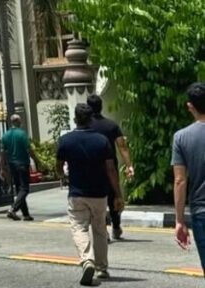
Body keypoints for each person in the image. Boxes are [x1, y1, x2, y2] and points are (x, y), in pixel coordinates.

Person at [57, 102, 123, 285]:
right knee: (100, 229)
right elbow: (110, 169)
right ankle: (102, 268)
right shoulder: (102, 140)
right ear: (91, 118)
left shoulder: (66, 140)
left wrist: (63, 176)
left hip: (77, 192)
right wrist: (117, 193)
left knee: (79, 227)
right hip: (99, 193)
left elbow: (59, 167)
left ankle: (87, 260)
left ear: (75, 119)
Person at [87, 93, 134, 240]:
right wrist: (129, 165)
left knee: (97, 200)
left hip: (92, 169)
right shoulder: (111, 125)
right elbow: (123, 147)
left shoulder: (85, 126)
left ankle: (103, 229)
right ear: (101, 107)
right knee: (114, 196)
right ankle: (116, 226)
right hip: (111, 167)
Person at [172, 81, 205, 274]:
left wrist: (179, 220)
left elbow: (180, 180)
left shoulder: (181, 137)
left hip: (201, 211)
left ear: (190, 106)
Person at [0, 114, 34, 221]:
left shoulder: (5, 135)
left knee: (20, 189)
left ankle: (26, 214)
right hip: (22, 164)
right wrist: (37, 161)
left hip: (12, 165)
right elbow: (29, 150)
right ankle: (13, 209)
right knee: (25, 188)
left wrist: (2, 168)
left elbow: (1, 154)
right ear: (19, 121)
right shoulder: (22, 134)